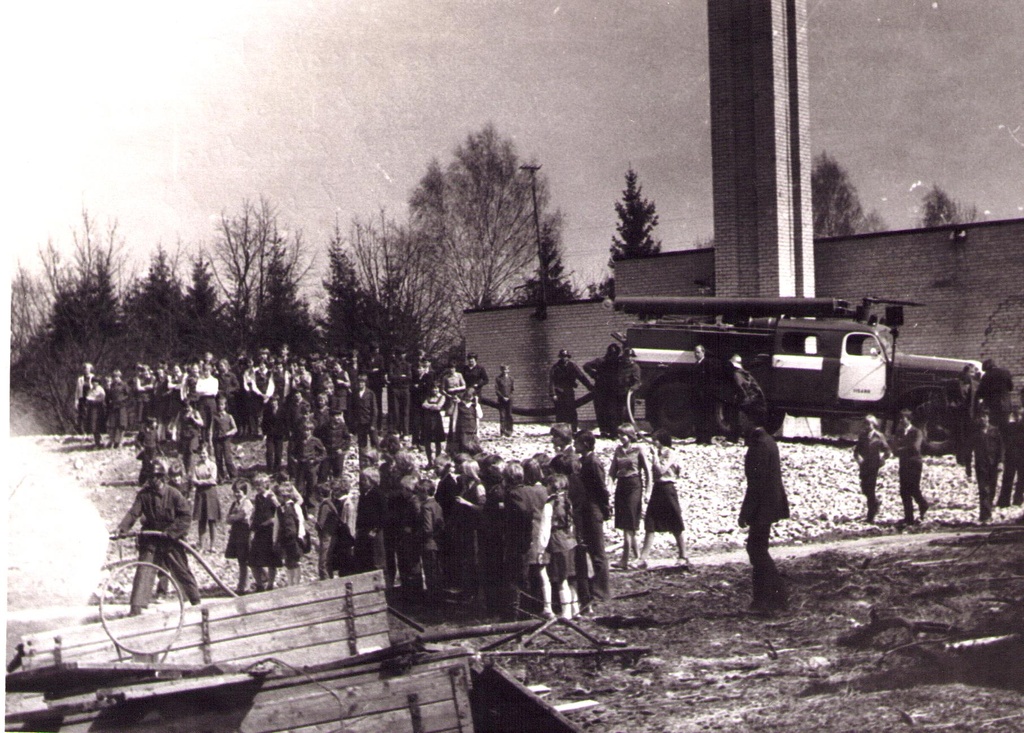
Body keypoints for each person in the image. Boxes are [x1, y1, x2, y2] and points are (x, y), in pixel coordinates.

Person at [114, 458, 201, 615]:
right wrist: (122, 528)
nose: (151, 480)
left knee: (181, 570)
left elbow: (186, 517)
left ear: (161, 477)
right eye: (149, 477)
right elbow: (133, 513)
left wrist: (171, 532)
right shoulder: (144, 495)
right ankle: (136, 609)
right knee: (144, 571)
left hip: (171, 539)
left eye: (154, 477)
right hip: (151, 539)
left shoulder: (174, 494)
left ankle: (196, 603)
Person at [737, 407, 790, 615]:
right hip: (768, 504)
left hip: (763, 505)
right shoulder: (768, 441)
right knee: (758, 550)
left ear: (750, 419)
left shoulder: (759, 445)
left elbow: (755, 484)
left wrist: (745, 512)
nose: (740, 422)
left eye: (742, 417)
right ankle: (765, 599)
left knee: (757, 551)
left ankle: (774, 598)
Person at [571, 429, 611, 610]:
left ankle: (601, 591)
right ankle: (595, 588)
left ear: (586, 444)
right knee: (590, 548)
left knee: (598, 551)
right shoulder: (583, 461)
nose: (574, 445)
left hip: (593, 508)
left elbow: (602, 488)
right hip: (586, 508)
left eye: (577, 442)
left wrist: (604, 508)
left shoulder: (593, 462)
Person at [637, 429, 688, 568]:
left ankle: (683, 555)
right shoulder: (658, 453)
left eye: (656, 439)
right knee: (650, 522)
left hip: (668, 488)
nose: (653, 442)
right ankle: (643, 558)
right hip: (657, 488)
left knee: (675, 521)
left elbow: (660, 470)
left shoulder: (670, 453)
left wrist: (654, 458)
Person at [609, 422, 649, 569]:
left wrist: (647, 491)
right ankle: (638, 558)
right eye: (619, 434)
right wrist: (610, 485)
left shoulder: (638, 450)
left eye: (623, 434)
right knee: (625, 525)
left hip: (634, 485)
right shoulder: (618, 451)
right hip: (621, 486)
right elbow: (612, 472)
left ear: (630, 435)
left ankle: (624, 560)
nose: (620, 437)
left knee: (629, 523)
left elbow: (647, 472)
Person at [545, 473, 579, 619]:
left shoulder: (551, 504)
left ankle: (566, 612)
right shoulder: (568, 501)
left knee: (561, 578)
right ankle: (575, 608)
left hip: (557, 541)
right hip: (570, 540)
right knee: (571, 577)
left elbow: (547, 526)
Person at [891, 408, 930, 525]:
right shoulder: (899, 432)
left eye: (903, 418)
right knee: (904, 491)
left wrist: (901, 448)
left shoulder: (917, 432)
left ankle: (923, 504)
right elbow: (894, 447)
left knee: (913, 488)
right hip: (904, 463)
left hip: (914, 463)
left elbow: (915, 447)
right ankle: (909, 517)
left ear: (909, 419)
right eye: (900, 419)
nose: (901, 421)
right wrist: (901, 448)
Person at [853, 414, 892, 523]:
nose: (867, 426)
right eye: (865, 423)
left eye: (869, 423)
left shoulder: (879, 436)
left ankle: (871, 516)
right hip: (864, 465)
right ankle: (875, 503)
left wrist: (882, 460)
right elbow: (856, 452)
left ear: (874, 424)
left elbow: (887, 451)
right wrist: (859, 460)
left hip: (874, 466)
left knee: (870, 489)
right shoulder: (862, 436)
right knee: (864, 488)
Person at [248, 476, 282, 591]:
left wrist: (270, 521)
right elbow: (257, 513)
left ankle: (271, 584)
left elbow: (280, 512)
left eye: (259, 486)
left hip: (270, 531)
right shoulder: (258, 497)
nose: (257, 488)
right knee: (253, 560)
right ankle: (259, 584)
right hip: (259, 531)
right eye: (256, 486)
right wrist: (253, 526)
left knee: (271, 560)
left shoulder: (272, 497)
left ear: (266, 485)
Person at [549, 349, 593, 433]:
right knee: (560, 412)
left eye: (566, 357)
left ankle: (574, 430)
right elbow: (551, 381)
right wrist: (553, 394)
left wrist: (590, 387)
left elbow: (581, 377)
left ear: (568, 357)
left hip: (569, 391)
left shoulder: (572, 366)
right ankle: (560, 431)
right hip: (559, 392)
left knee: (572, 411)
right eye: (562, 356)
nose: (564, 358)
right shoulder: (555, 367)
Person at [971, 408, 1004, 523]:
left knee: (992, 489)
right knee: (983, 490)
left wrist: (1001, 462)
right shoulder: (976, 433)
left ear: (988, 418)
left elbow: (1001, 448)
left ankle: (984, 513)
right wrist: (968, 467)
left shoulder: (995, 431)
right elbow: (970, 450)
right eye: (980, 416)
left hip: (993, 464)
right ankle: (986, 516)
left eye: (984, 416)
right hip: (981, 465)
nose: (982, 419)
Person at [224, 479, 253, 594]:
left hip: (244, 532)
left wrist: (233, 517)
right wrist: (232, 517)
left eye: (239, 491)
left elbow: (241, 516)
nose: (236, 494)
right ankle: (243, 584)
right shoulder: (234, 504)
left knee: (245, 558)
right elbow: (227, 518)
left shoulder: (247, 503)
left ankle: (245, 585)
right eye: (235, 491)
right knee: (241, 559)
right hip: (236, 533)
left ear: (244, 492)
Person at [418, 477, 445, 602]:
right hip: (437, 542)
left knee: (430, 573)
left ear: (424, 492)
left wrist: (418, 535)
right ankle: (438, 597)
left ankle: (433, 600)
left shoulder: (426, 507)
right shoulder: (437, 504)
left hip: (428, 543)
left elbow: (427, 528)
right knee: (436, 571)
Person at [275, 482, 306, 587]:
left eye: (285, 496)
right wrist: (275, 540)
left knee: (296, 561)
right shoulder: (279, 509)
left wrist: (301, 536)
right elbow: (277, 525)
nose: (283, 498)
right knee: (288, 562)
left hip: (294, 538)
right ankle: (290, 584)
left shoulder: (295, 507)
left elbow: (300, 521)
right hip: (284, 538)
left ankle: (297, 583)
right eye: (282, 495)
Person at [190, 443, 220, 551]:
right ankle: (201, 545)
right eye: (200, 453)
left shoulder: (212, 465)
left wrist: (200, 482)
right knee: (201, 520)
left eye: (204, 453)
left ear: (208, 453)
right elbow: (193, 479)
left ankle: (212, 546)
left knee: (212, 519)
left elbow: (213, 480)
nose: (202, 455)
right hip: (200, 494)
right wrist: (201, 482)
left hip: (210, 493)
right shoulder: (197, 466)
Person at [977, 358, 1015, 435]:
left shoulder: (986, 376)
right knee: (1005, 429)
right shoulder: (1005, 372)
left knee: (994, 430)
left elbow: (980, 393)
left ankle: (996, 445)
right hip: (1006, 406)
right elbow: (1011, 388)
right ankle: (1006, 445)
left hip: (993, 407)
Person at [997, 406, 1024, 507]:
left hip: (1022, 455)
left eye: (1020, 415)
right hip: (1011, 454)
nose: (1018, 417)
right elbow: (1003, 435)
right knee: (1008, 478)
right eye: (1016, 415)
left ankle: (1018, 499)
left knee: (1021, 479)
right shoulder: (1009, 426)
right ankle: (1004, 501)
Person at [691, 344, 717, 444]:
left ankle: (707, 438)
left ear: (703, 352)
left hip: (706, 396)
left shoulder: (707, 364)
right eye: (695, 352)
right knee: (698, 417)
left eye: (698, 352)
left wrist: (707, 393)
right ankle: (699, 438)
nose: (696, 354)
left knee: (706, 417)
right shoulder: (695, 364)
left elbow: (710, 380)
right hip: (697, 395)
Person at [211, 396, 238, 482]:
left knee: (227, 458)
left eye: (222, 405)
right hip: (217, 440)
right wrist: (210, 441)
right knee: (218, 459)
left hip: (226, 440)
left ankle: (233, 476)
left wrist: (228, 433)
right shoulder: (215, 417)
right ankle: (221, 477)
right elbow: (211, 429)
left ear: (225, 405)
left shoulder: (229, 416)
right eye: (219, 404)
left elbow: (235, 429)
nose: (220, 406)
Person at [350, 373, 378, 451]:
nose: (360, 384)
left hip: (369, 421)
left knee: (374, 441)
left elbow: (374, 409)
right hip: (360, 422)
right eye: (359, 382)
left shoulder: (370, 393)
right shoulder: (355, 394)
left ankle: (375, 458)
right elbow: (352, 409)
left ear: (365, 383)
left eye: (362, 382)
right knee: (362, 443)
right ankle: (363, 459)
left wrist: (373, 423)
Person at [388, 350, 413, 438]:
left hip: (405, 390)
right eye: (400, 354)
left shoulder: (407, 365)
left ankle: (405, 432)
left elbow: (409, 377)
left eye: (403, 354)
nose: (402, 356)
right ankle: (397, 431)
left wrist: (398, 377)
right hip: (395, 389)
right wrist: (402, 376)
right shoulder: (392, 364)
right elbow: (391, 377)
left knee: (405, 411)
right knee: (396, 411)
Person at [451, 387, 483, 455]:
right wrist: (454, 430)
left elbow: (480, 416)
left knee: (474, 447)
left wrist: (477, 404)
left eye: (470, 397)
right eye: (467, 396)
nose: (468, 398)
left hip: (472, 429)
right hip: (463, 429)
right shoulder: (459, 405)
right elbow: (455, 417)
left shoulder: (475, 406)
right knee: (464, 447)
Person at [420, 383, 447, 464]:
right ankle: (429, 461)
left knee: (437, 441)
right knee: (427, 441)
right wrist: (433, 406)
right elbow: (424, 405)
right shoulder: (428, 396)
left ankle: (437, 461)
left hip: (437, 420)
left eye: (436, 388)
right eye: (433, 388)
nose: (435, 390)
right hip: (427, 420)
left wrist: (430, 406)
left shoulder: (442, 397)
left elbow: (439, 406)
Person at [615, 349, 642, 427]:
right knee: (618, 412)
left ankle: (630, 429)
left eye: (630, 357)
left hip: (629, 393)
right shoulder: (620, 366)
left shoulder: (635, 367)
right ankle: (618, 429)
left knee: (629, 413)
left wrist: (633, 388)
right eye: (627, 356)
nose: (628, 358)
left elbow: (637, 382)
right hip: (619, 392)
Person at [262, 394, 288, 474]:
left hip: (279, 435)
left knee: (278, 453)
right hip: (270, 435)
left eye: (275, 401)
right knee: (269, 452)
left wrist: (285, 433)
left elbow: (286, 423)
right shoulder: (267, 411)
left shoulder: (282, 411)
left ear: (277, 402)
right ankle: (269, 469)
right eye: (272, 401)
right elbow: (264, 423)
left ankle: (277, 470)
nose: (273, 403)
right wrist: (264, 433)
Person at [106, 369, 130, 448]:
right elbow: (108, 396)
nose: (115, 378)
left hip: (121, 406)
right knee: (112, 425)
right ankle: (112, 441)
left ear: (120, 376)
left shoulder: (124, 385)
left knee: (122, 424)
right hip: (113, 406)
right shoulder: (112, 385)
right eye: (114, 376)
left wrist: (124, 402)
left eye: (117, 376)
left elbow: (128, 395)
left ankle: (120, 441)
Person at [495, 364, 515, 438]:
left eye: (506, 369)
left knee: (509, 415)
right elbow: (497, 390)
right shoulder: (498, 379)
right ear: (501, 370)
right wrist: (502, 397)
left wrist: (509, 397)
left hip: (509, 399)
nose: (505, 371)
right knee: (502, 415)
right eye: (503, 369)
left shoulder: (511, 379)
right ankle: (502, 432)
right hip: (501, 400)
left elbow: (512, 389)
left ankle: (509, 431)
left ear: (508, 370)